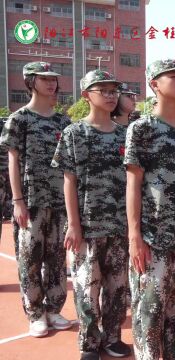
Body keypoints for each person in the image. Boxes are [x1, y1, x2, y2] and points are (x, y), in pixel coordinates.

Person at [125, 59, 175, 359]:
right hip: (153, 237)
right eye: (173, 76)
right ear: (154, 84)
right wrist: (134, 235)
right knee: (149, 313)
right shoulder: (142, 129)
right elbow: (133, 183)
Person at [52, 70, 131, 360]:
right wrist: (73, 224)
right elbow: (69, 180)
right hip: (88, 226)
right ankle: (89, 343)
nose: (111, 96)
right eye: (103, 90)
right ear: (86, 95)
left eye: (114, 90)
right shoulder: (75, 133)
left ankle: (112, 337)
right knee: (87, 289)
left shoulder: (126, 134)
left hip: (120, 225)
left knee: (117, 287)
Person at [0, 61, 72, 337]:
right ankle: (35, 313)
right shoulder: (19, 119)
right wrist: (17, 200)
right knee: (30, 257)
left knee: (56, 257)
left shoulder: (63, 122)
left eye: (53, 78)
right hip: (31, 200)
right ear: (30, 82)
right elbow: (13, 161)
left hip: (59, 200)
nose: (52, 83)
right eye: (44, 79)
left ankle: (54, 309)